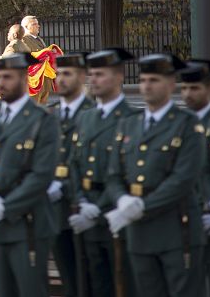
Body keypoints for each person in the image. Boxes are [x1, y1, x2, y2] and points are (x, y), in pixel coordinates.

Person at [105, 54, 205, 297]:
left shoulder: (187, 124)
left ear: (171, 84)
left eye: (154, 80)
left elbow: (182, 179)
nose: (147, 86)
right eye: (143, 80)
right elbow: (113, 174)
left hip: (176, 231)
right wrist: (122, 200)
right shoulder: (129, 124)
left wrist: (140, 206)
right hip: (139, 233)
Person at [0, 53, 58, 297]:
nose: (1, 83)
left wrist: (3, 208)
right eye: (0, 77)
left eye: (8, 77)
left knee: (29, 290)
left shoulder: (42, 120)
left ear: (23, 78)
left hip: (28, 224)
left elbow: (41, 175)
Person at [68, 48, 137, 297]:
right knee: (95, 285)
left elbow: (126, 171)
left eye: (100, 74)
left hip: (116, 212)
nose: (93, 80)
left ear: (119, 76)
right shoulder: (86, 118)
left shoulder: (132, 118)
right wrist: (80, 200)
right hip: (86, 212)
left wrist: (98, 208)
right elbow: (74, 163)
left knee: (124, 284)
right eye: (91, 74)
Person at [47, 54, 95, 297]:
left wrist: (63, 186)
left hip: (86, 209)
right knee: (68, 280)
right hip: (57, 213)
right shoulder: (50, 116)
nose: (61, 79)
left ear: (83, 77)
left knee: (89, 281)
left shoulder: (94, 114)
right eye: (59, 73)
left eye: (68, 74)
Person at [179, 59, 210, 296]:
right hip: (189, 217)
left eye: (195, 88)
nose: (188, 94)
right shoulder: (180, 123)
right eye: (184, 88)